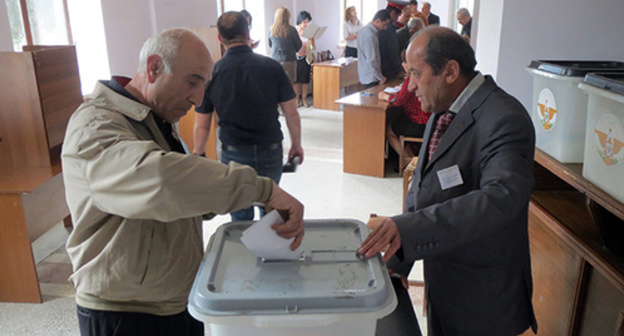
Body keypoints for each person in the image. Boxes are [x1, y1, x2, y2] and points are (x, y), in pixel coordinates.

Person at [62, 28, 305, 336]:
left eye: (204, 86)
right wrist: (264, 189)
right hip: (127, 312)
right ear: (153, 68)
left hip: (173, 299)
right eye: (192, 82)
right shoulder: (96, 127)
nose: (198, 98)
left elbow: (179, 191)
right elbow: (161, 181)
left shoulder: (155, 119)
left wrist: (210, 200)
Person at [359, 26, 538, 336]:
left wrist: (408, 229)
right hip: (443, 280)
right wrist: (399, 259)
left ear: (451, 71)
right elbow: (422, 187)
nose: (410, 86)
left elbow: (502, 198)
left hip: (483, 297)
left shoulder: (504, 118)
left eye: (416, 73)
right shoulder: (444, 108)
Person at [194, 12, 304, 222]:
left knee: (240, 212)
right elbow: (291, 111)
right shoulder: (272, 66)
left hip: (234, 154)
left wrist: (199, 155)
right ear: (248, 33)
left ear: (220, 38)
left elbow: (202, 124)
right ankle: (269, 251)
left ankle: (244, 251)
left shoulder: (212, 73)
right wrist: (296, 144)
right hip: (270, 150)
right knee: (272, 206)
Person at [379, 50, 431, 171]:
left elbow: (399, 101)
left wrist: (385, 96)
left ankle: (409, 163)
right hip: (428, 121)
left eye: (404, 62)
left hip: (420, 123)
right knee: (397, 121)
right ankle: (407, 159)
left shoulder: (411, 79)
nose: (402, 65)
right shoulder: (424, 75)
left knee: (389, 129)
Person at [357, 9, 391, 88]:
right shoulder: (370, 36)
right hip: (372, 77)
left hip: (366, 74)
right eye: (385, 24)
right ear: (378, 21)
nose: (385, 28)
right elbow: (372, 60)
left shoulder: (363, 30)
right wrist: (380, 77)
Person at [268, 6, 302, 85]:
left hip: (275, 60)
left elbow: (270, 44)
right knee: (289, 86)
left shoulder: (271, 30)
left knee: (276, 84)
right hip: (289, 60)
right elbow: (298, 45)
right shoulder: (291, 30)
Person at [295, 10, 314, 108]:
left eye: (308, 22)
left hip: (306, 58)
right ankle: (297, 100)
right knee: (297, 81)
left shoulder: (309, 32)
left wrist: (312, 41)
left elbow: (313, 48)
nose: (306, 24)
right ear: (300, 21)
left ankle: (304, 99)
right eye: (304, 22)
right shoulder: (294, 30)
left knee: (305, 80)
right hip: (295, 58)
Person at [378, 8, 403, 81]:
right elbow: (393, 51)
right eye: (398, 15)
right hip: (389, 69)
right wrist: (398, 70)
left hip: (382, 68)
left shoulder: (383, 27)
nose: (398, 18)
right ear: (393, 13)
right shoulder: (389, 28)